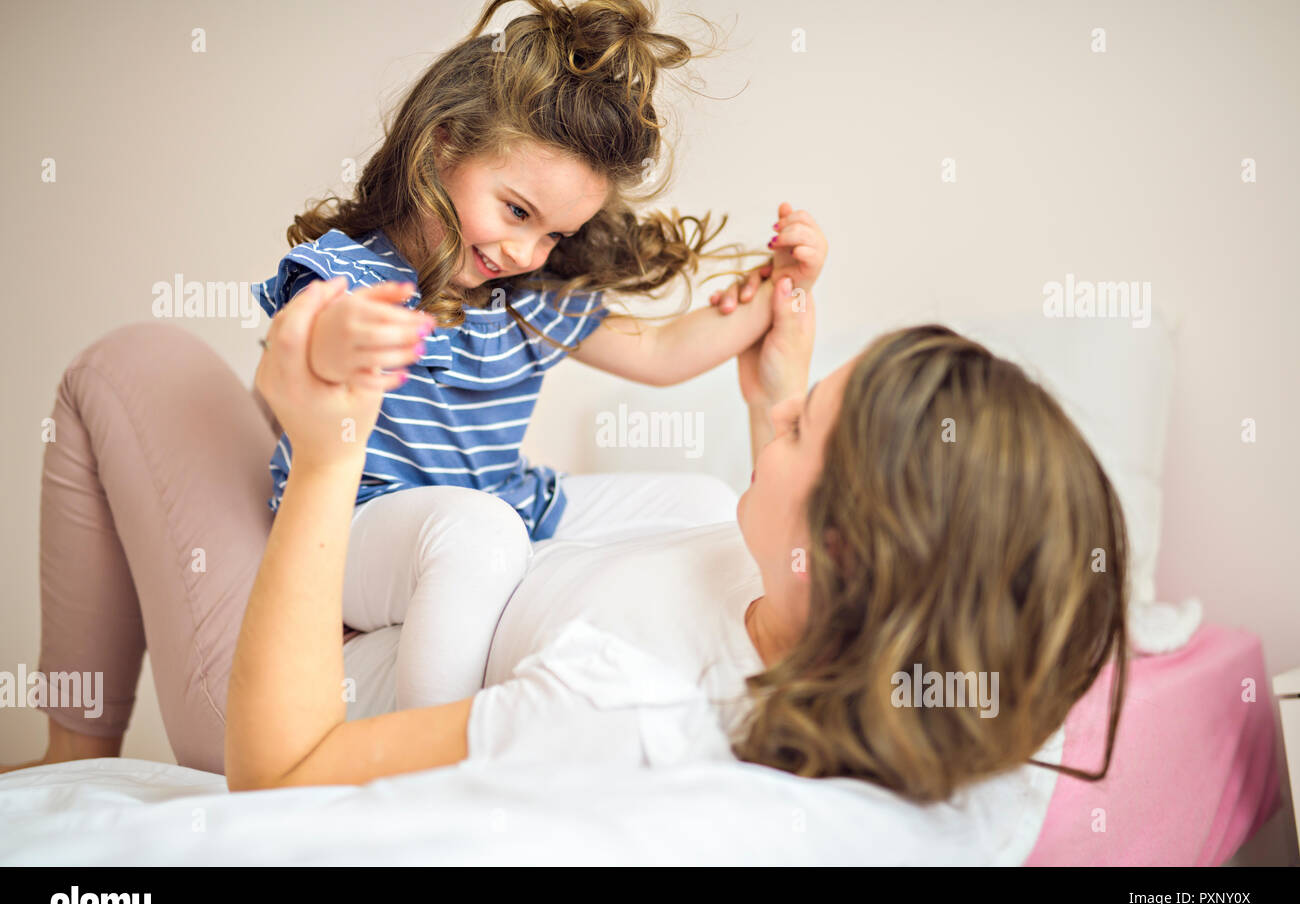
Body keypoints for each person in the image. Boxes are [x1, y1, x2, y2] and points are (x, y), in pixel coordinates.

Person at [6, 262, 1128, 804]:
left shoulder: (616, 701)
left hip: (291, 690)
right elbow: (778, 568)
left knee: (131, 362)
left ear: (839, 546)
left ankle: (67, 762)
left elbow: (289, 768)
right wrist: (770, 396)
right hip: (414, 583)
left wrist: (330, 452)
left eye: (797, 429)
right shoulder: (813, 624)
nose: (772, 424)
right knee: (681, 492)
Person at [250, 0, 831, 709]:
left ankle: (712, 703)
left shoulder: (523, 295)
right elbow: (305, 340)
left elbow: (663, 353)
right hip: (357, 528)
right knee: (477, 536)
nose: (526, 252)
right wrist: (342, 343)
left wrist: (779, 288)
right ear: (441, 148)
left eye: (554, 235)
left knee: (700, 501)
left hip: (501, 503)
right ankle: (428, 759)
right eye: (518, 212)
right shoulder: (354, 275)